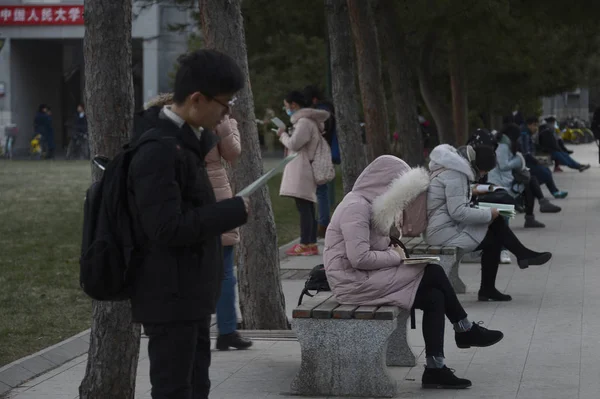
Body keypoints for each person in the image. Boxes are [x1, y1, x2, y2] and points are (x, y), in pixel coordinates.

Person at [127, 49, 250, 399]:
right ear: (197, 99)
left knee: (197, 386)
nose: (226, 114)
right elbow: (165, 228)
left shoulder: (188, 140)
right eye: (224, 105)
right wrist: (231, 211)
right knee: (175, 389)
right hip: (169, 296)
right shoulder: (159, 148)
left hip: (190, 294)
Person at [323, 155, 504, 389]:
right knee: (433, 271)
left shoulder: (371, 205)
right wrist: (395, 256)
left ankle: (435, 368)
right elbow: (360, 258)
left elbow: (372, 248)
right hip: (352, 282)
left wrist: (392, 247)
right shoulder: (356, 207)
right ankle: (465, 329)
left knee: (434, 298)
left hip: (366, 278)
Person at [141, 92, 253, 352]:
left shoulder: (161, 127)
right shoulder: (214, 118)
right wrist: (231, 125)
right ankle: (226, 330)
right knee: (224, 270)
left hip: (181, 200)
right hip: (215, 191)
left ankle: (203, 327)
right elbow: (233, 152)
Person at [425, 144, 552, 302]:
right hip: (443, 233)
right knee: (494, 233)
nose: (483, 175)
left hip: (444, 227)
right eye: (485, 171)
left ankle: (516, 261)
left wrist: (473, 191)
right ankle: (510, 266)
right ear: (478, 166)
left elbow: (450, 198)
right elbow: (458, 212)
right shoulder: (456, 174)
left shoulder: (452, 169)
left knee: (495, 229)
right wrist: (488, 213)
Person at [278, 90, 330, 256]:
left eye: (287, 106)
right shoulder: (307, 122)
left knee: (304, 207)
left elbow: (294, 144)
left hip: (302, 169)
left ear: (294, 105)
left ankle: (305, 243)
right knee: (306, 206)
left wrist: (282, 134)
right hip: (304, 167)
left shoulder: (304, 123)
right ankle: (310, 243)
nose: (287, 109)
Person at [487, 123, 561, 228]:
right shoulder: (502, 145)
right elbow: (503, 165)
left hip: (505, 180)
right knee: (530, 182)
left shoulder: (504, 143)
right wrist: (518, 160)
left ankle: (537, 210)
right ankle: (539, 207)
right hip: (500, 184)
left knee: (530, 182)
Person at [303, 85, 339, 238]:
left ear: (314, 100)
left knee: (320, 190)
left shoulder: (321, 113)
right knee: (321, 190)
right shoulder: (328, 110)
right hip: (325, 153)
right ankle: (323, 223)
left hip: (320, 154)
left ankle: (323, 224)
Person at [520, 117, 568, 199]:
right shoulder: (525, 134)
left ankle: (554, 191)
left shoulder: (526, 133)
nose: (536, 128)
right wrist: (536, 161)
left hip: (525, 161)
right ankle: (530, 189)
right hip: (524, 163)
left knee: (546, 171)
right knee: (545, 173)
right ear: (529, 125)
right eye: (535, 126)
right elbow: (526, 152)